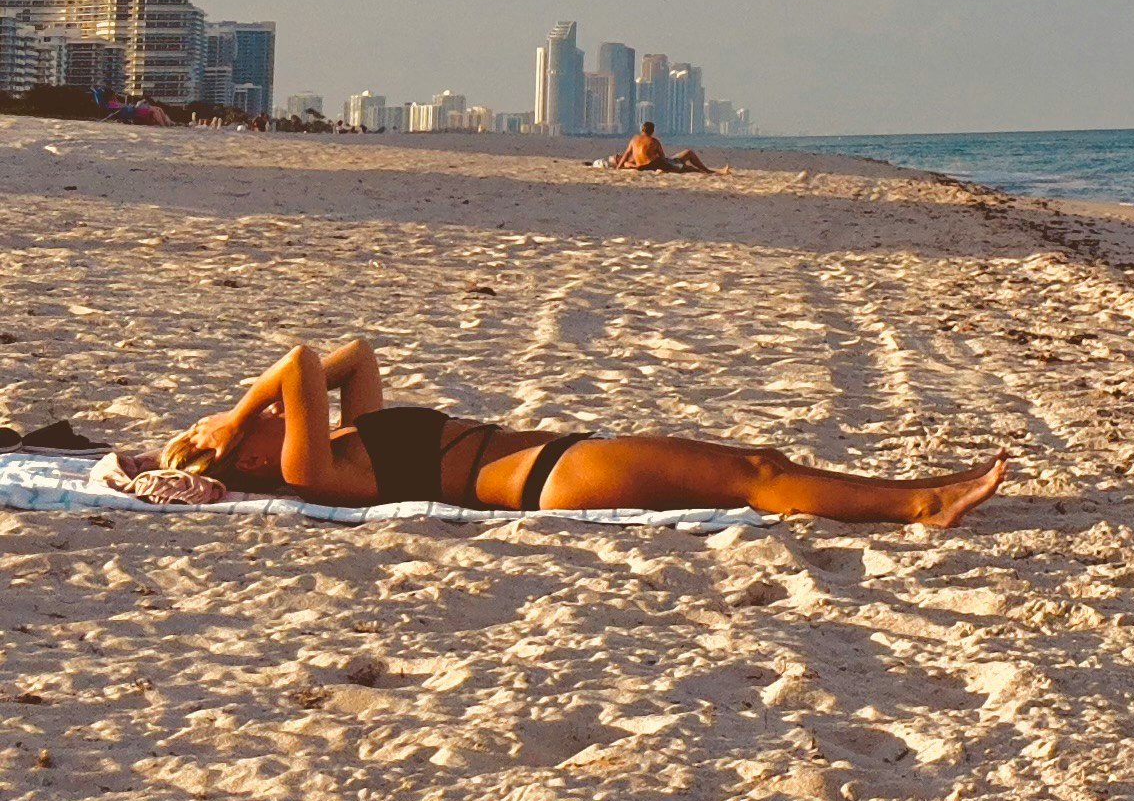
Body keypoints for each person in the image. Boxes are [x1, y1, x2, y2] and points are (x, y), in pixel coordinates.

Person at [159, 338, 1007, 525]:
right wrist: (234, 419)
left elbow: (352, 357)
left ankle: (912, 496)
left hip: (558, 458)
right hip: (549, 481)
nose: (269, 412)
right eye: (251, 425)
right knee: (751, 471)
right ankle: (921, 505)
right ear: (251, 454)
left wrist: (232, 426)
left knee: (755, 464)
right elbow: (303, 363)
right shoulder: (311, 469)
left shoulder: (350, 442)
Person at [605, 121, 713, 173]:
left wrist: (619, 167)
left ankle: (701, 170)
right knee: (688, 154)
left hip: (641, 167)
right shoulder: (653, 141)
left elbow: (627, 154)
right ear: (652, 131)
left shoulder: (634, 140)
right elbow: (662, 157)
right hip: (653, 165)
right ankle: (706, 171)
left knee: (681, 162)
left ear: (642, 130)